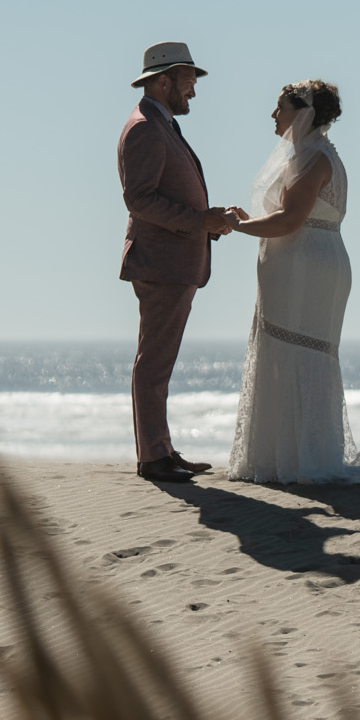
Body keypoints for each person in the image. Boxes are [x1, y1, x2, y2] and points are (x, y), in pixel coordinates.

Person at [226, 80, 360, 485]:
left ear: (302, 113)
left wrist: (238, 226)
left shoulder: (316, 159)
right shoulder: (303, 156)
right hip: (295, 266)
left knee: (304, 353)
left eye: (280, 107)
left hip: (308, 269)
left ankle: (307, 459)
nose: (273, 115)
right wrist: (248, 223)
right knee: (286, 351)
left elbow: (290, 219)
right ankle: (285, 456)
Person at [117, 42, 239, 484]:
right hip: (161, 265)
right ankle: (153, 457)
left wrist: (210, 223)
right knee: (154, 363)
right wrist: (200, 222)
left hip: (172, 263)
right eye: (189, 82)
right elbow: (140, 200)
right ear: (163, 80)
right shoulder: (145, 128)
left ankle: (161, 449)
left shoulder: (159, 124)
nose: (193, 92)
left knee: (158, 363)